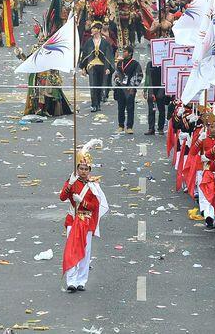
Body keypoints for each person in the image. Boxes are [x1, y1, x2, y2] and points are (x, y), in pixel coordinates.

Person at [59, 139, 109, 292]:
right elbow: (62, 197)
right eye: (81, 168)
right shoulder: (72, 181)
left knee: (85, 252)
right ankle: (71, 281)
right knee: (72, 250)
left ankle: (81, 280)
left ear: (90, 170)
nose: (83, 171)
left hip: (86, 221)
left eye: (86, 168)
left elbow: (95, 206)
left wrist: (82, 202)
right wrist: (69, 185)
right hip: (73, 220)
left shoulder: (94, 185)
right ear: (77, 168)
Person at [79, 21, 114, 112]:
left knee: (100, 85)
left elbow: (108, 55)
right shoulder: (89, 42)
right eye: (92, 28)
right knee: (93, 85)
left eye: (94, 28)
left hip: (102, 66)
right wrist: (83, 68)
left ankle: (98, 103)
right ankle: (94, 104)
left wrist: (108, 68)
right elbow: (85, 55)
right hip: (92, 66)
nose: (92, 30)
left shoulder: (105, 42)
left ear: (98, 30)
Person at [113, 46, 143, 134]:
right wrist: (117, 81)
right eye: (123, 51)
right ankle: (120, 126)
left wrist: (133, 85)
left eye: (125, 51)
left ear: (130, 53)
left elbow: (139, 75)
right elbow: (116, 74)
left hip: (130, 89)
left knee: (130, 108)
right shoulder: (119, 63)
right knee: (120, 107)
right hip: (120, 88)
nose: (123, 53)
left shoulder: (135, 64)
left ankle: (129, 127)